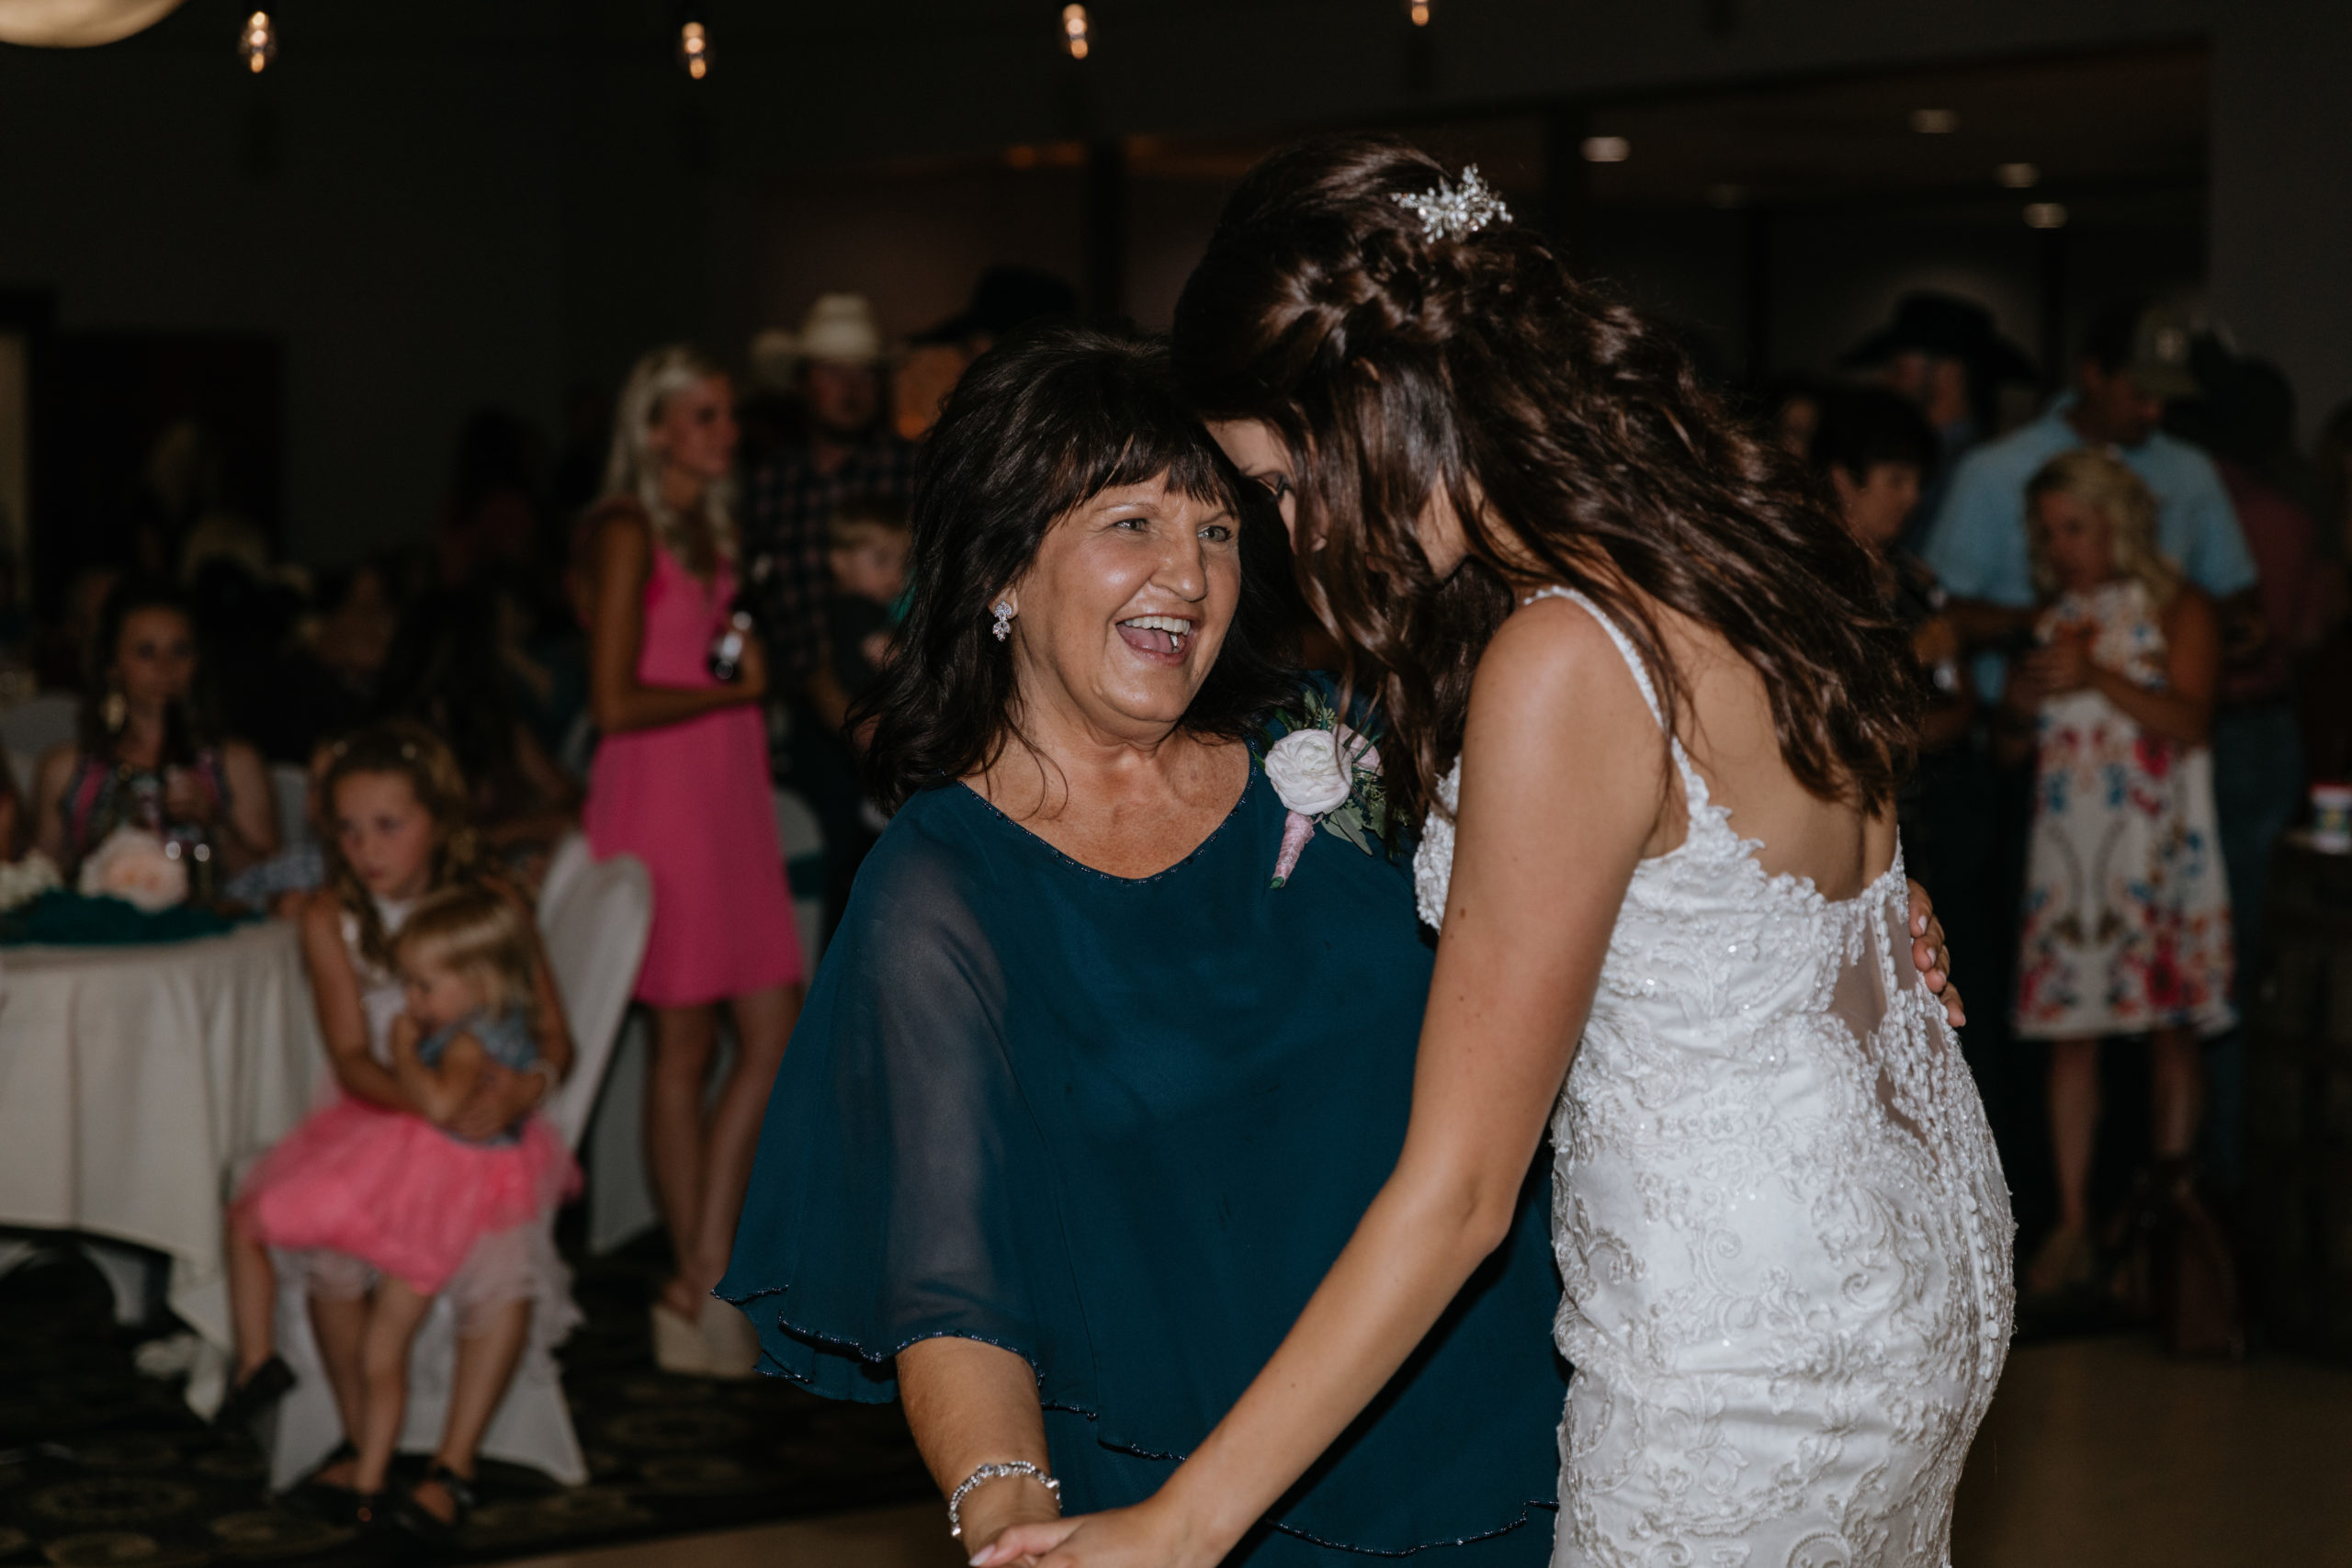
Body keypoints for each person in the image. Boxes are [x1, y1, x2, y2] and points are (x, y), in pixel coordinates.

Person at [720, 326, 1959, 1566]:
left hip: (1514, 1438)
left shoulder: (1342, 749)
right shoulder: (942, 884)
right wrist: (1005, 1508)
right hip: (1198, 1498)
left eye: (1216, 526)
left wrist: (1840, 931)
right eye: (1131, 523)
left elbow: (1616, 901)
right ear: (1001, 564)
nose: (1191, 574)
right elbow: (954, 1276)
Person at [981, 136, 2007, 1568]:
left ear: (1372, 411)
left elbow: (1463, 1192)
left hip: (1737, 1353)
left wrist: (1181, 1519)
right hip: (1908, 1268)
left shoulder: (1562, 654)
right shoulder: (1725, 544)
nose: (1293, 526)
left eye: (1279, 482)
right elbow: (1780, 862)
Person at [215, 722, 576, 1538]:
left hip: (492, 1135)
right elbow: (351, 1055)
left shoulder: (495, 900)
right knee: (331, 1258)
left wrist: (523, 1085)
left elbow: (557, 1036)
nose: (366, 847)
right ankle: (359, 1434)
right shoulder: (329, 915)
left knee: (502, 1265)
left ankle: (453, 1467)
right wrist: (427, 1102)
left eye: (389, 824)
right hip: (385, 1115)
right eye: (347, 828)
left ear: (439, 820)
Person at [583, 344, 806, 1377]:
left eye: (726, 415)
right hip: (663, 797)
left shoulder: (711, 529)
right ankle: (695, 1274)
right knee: (682, 1048)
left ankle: (705, 1261)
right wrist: (733, 692)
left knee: (771, 1024)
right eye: (705, 415)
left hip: (725, 794)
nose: (725, 431)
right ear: (658, 429)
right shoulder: (626, 528)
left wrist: (738, 689)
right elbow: (616, 700)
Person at [2001, 451, 2230, 1298]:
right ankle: (2072, 1221)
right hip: (2070, 846)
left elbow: (2193, 718)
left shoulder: (2178, 606)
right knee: (2071, 1036)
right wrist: (2020, 705)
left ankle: (2168, 1221)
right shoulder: (2053, 617)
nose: (2061, 547)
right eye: (2048, 530)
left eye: (2076, 527)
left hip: (2156, 844)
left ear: (2116, 522)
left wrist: (2098, 674)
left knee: (2170, 1028)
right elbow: (2007, 750)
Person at [1925, 299, 2257, 704]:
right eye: (2140, 394)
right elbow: (1939, 608)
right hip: (2023, 730)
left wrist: (2229, 626)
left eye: (2166, 398)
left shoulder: (2190, 469)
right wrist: (2050, 625)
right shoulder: (1995, 471)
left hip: (2157, 733)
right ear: (2093, 373)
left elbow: (2234, 590)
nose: (2154, 411)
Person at [30, 576, 279, 880]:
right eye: (146, 652)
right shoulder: (67, 770)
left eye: (180, 651)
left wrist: (215, 825)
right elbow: (41, 880)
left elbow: (272, 882)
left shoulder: (235, 764)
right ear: (112, 665)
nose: (165, 668)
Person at [741, 293, 922, 695]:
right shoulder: (770, 483)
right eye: (833, 373)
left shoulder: (919, 472)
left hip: (899, 706)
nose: (852, 388)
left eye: (865, 373)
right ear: (801, 383)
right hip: (796, 711)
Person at [1842, 291, 2038, 547]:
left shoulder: (1964, 468)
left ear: (1948, 373)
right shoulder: (1956, 455)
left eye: (1898, 369)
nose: (1884, 381)